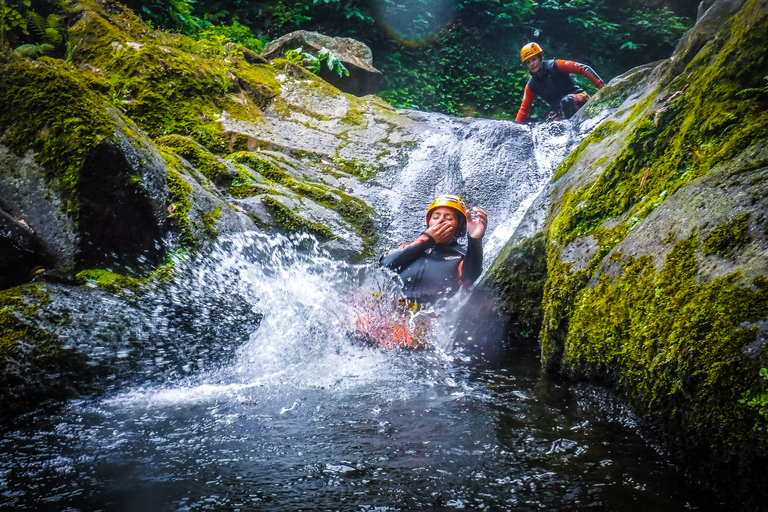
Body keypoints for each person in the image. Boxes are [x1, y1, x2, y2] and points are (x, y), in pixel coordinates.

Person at [380, 194, 488, 308]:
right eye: (435, 217)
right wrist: (427, 239)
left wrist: (475, 240)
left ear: (459, 227)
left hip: (421, 319)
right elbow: (384, 264)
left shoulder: (461, 257)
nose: (440, 220)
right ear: (429, 223)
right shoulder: (410, 248)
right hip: (386, 308)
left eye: (449, 218)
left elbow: (470, 277)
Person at [515, 42, 605, 123]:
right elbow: (524, 110)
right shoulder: (532, 85)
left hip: (578, 99)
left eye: (534, 59)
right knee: (550, 123)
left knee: (567, 101)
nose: (532, 64)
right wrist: (515, 128)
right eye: (528, 62)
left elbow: (583, 68)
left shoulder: (556, 65)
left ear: (540, 58)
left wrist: (604, 89)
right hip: (561, 112)